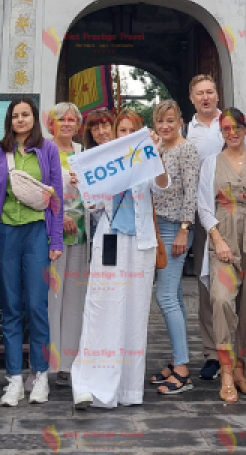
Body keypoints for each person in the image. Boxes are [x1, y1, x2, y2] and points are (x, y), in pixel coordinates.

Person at [71, 109, 170, 409]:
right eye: (121, 130)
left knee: (135, 312)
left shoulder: (147, 157)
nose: (125, 135)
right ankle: (90, 383)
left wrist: (155, 153)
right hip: (110, 238)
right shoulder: (105, 161)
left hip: (141, 242)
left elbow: (162, 184)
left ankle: (128, 389)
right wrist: (82, 183)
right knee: (102, 308)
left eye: (131, 130)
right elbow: (91, 205)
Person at [184, 75, 246, 385]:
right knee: (213, 292)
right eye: (200, 93)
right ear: (193, 98)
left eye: (210, 91)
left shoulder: (232, 121)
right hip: (212, 221)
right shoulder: (188, 130)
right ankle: (214, 354)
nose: (206, 97)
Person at [0, 97, 64, 407]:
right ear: (9, 120)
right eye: (15, 116)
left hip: (36, 234)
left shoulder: (49, 150)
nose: (20, 120)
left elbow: (56, 199)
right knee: (11, 307)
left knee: (37, 306)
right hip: (6, 236)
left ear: (34, 118)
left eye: (25, 115)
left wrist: (55, 241)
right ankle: (14, 377)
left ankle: (40, 374)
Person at [147, 100, 202, 395]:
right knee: (175, 297)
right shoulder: (161, 150)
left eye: (170, 120)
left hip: (175, 229)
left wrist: (184, 229)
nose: (165, 126)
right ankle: (176, 359)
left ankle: (182, 369)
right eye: (160, 121)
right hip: (158, 227)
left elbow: (191, 192)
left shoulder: (186, 150)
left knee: (165, 295)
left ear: (180, 120)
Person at [44, 102, 86, 388]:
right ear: (51, 124)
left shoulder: (85, 153)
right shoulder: (42, 152)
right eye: (61, 119)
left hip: (83, 231)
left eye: (72, 119)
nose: (67, 123)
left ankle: (69, 363)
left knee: (75, 298)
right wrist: (60, 218)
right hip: (51, 234)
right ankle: (48, 361)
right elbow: (36, 190)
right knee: (50, 298)